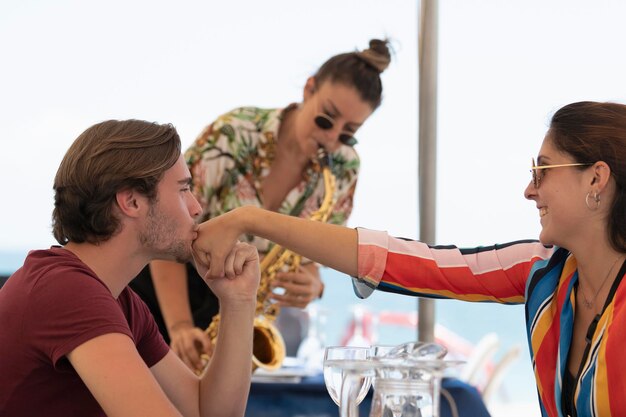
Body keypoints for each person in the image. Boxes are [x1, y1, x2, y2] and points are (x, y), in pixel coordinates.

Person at [192, 101, 626, 417]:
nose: (529, 191)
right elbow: (404, 260)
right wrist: (253, 220)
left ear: (596, 178)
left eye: (541, 171)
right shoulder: (546, 272)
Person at [130, 38, 392, 370]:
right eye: (326, 120)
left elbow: (311, 258)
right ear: (309, 89)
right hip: (166, 290)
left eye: (347, 133)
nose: (331, 138)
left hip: (230, 302)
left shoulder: (345, 168)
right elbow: (165, 229)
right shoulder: (234, 133)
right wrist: (179, 326)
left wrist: (314, 284)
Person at [0, 120, 260, 417]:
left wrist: (238, 302)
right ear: (132, 201)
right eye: (183, 190)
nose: (196, 207)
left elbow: (205, 412)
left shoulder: (120, 300)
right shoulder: (66, 290)